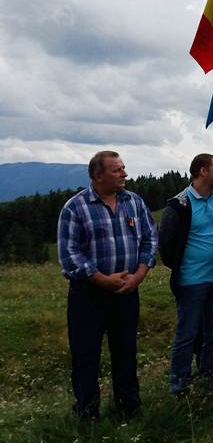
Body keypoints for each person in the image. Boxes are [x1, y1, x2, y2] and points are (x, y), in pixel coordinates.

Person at [57, 151, 158, 419]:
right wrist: (103, 279)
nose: (125, 174)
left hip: (127, 291)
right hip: (88, 294)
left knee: (126, 351)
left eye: (123, 168)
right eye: (117, 170)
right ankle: (87, 412)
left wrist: (138, 275)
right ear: (97, 175)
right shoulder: (75, 207)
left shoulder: (134, 202)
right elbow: (69, 254)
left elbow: (150, 239)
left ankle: (128, 408)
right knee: (86, 354)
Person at [159, 153, 213, 394]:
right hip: (192, 281)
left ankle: (210, 376)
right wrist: (183, 266)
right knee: (187, 333)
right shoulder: (179, 205)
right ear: (202, 171)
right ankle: (179, 380)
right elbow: (166, 245)